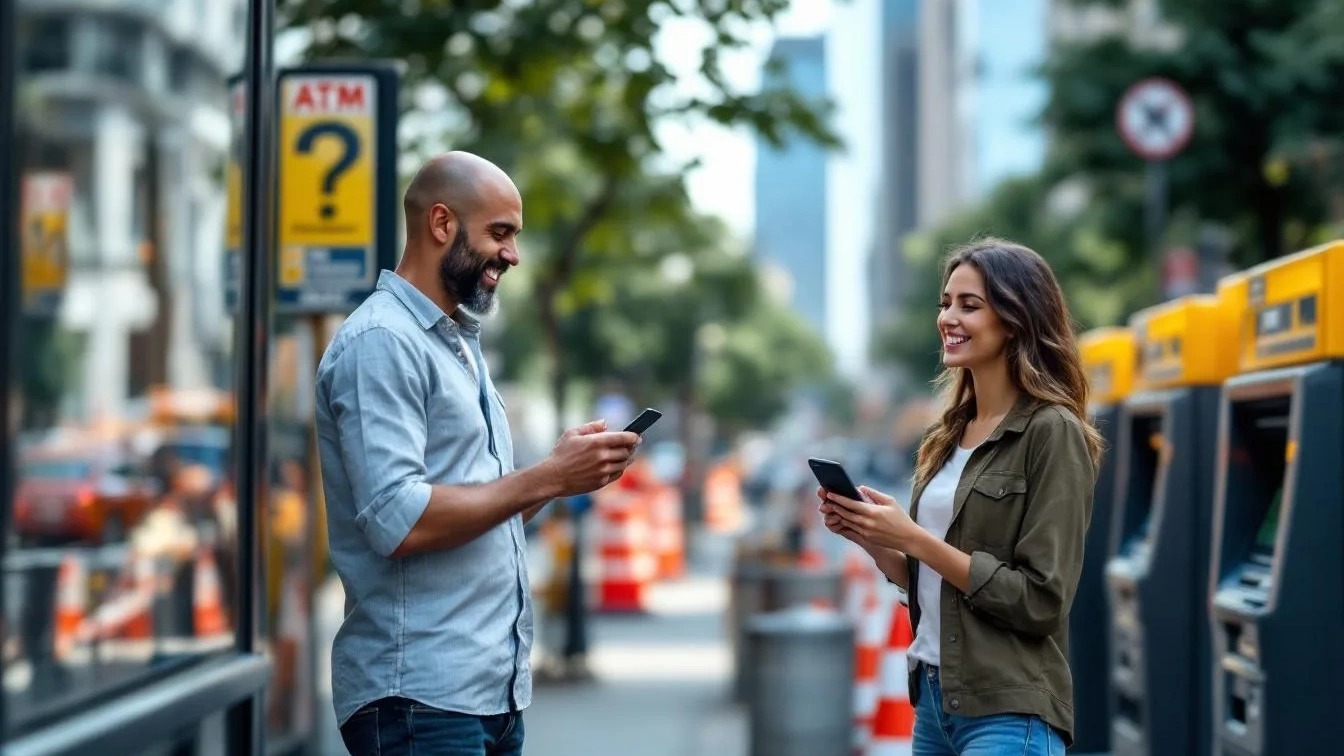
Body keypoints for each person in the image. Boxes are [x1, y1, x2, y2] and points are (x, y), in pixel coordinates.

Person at [315, 151, 641, 756]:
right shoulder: (382, 341)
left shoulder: (456, 344)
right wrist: (543, 475)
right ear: (442, 225)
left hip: (485, 696)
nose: (512, 255)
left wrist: (554, 480)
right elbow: (400, 520)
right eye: (500, 233)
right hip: (420, 700)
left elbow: (483, 518)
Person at [819, 237, 1103, 756]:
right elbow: (938, 586)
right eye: (945, 303)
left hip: (1007, 713)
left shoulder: (1051, 431)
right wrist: (875, 539)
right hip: (933, 703)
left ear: (1016, 319)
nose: (948, 317)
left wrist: (917, 540)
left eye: (969, 305)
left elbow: (1041, 601)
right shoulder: (948, 433)